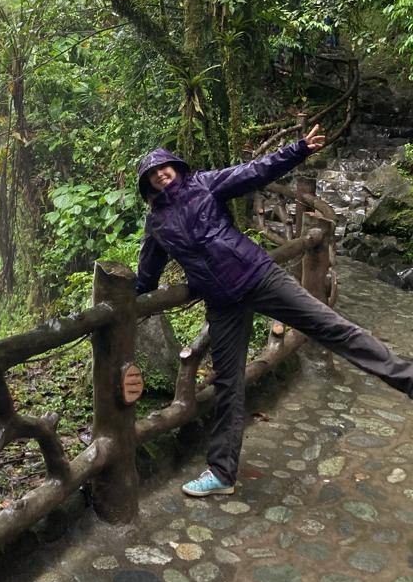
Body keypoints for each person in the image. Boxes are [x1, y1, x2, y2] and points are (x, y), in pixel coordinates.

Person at [135, 125, 413, 497]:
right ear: (148, 186)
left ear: (177, 167)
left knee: (331, 327)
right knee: (228, 384)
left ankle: (407, 378)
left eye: (163, 167)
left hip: (258, 275)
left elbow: (254, 172)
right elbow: (147, 275)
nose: (160, 175)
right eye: (152, 175)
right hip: (223, 303)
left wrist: (298, 150)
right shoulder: (157, 224)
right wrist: (127, 305)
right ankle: (221, 473)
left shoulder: (204, 185)